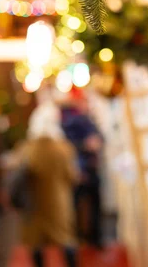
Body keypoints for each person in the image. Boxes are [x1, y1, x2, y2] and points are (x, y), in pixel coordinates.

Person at [17, 98, 79, 267]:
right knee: (66, 240)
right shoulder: (63, 149)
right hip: (58, 204)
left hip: (34, 205)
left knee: (36, 244)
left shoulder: (26, 149)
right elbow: (72, 176)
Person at [61, 91, 104, 248]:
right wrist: (85, 145)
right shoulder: (70, 122)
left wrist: (96, 142)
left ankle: (93, 236)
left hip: (90, 168)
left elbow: (100, 137)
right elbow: (67, 146)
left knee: (94, 204)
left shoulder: (88, 120)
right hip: (79, 169)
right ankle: (78, 237)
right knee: (76, 206)